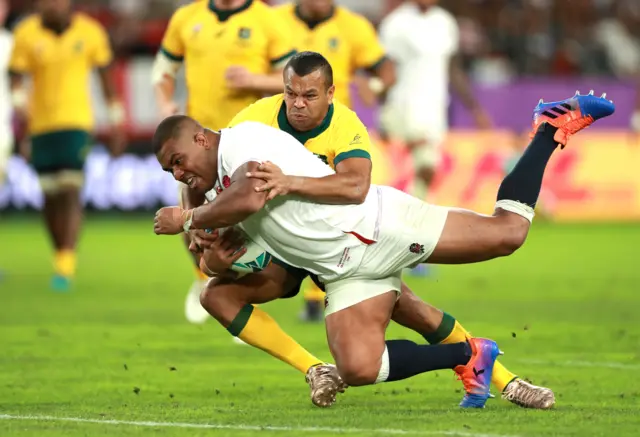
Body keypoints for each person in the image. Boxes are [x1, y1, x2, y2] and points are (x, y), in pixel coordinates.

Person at [152, 90, 614, 407]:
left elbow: (251, 193)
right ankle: (471, 355)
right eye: (169, 170)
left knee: (508, 233)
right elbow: (220, 247)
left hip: (381, 225)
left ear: (201, 137)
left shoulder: (242, 138)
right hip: (346, 272)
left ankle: (548, 129)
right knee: (357, 367)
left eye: (178, 161)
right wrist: (214, 248)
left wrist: (189, 220)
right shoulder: (207, 187)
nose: (177, 173)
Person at [152, 0, 296, 324]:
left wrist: (254, 80)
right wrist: (164, 103)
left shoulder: (268, 20)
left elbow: (292, 80)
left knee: (242, 221)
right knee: (192, 216)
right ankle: (204, 278)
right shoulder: (186, 18)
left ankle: (240, 289)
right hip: (195, 147)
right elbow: (162, 69)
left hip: (246, 143)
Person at [274, 0, 396, 321]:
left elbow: (385, 68)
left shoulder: (354, 27)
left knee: (332, 211)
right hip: (283, 128)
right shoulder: (273, 21)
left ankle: (322, 294)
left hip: (334, 134)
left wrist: (376, 85)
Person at [9, 0, 126, 291]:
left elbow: (105, 77)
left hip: (76, 124)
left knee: (71, 190)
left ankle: (66, 262)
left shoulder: (90, 32)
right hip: (40, 126)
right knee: (49, 196)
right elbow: (15, 77)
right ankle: (58, 252)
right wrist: (19, 108)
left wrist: (115, 121)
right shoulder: (26, 33)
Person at [378, 0, 491, 205]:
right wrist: (383, 109)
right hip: (405, 104)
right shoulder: (396, 24)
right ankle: (413, 213)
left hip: (435, 107)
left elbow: (452, 68)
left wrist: (474, 108)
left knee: (429, 169)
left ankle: (412, 212)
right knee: (426, 163)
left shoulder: (445, 22)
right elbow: (385, 69)